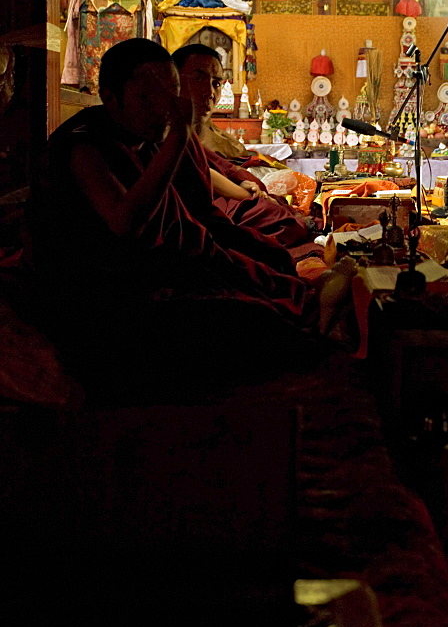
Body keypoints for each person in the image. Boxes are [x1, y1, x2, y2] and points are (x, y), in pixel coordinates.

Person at [33, 39, 317, 398]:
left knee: (271, 282)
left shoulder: (145, 136)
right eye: (145, 99)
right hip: (111, 299)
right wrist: (177, 139)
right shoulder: (84, 147)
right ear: (110, 97)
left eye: (169, 97)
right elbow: (123, 223)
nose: (160, 111)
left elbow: (185, 222)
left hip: (166, 271)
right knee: (258, 323)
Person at [172, 43, 311, 247]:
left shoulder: (187, 127)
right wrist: (248, 194)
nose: (210, 91)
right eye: (199, 77)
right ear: (172, 79)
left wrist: (242, 183)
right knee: (282, 223)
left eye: (217, 83)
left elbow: (210, 166)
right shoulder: (164, 125)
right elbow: (199, 173)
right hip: (188, 209)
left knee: (279, 211)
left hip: (213, 198)